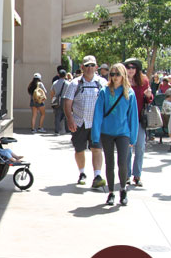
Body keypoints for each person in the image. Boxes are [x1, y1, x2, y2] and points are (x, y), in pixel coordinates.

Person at [91, 63, 138, 206]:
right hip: (107, 132)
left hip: (123, 132)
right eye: (112, 74)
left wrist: (133, 137)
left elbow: (133, 116)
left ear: (123, 75)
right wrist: (95, 135)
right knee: (109, 163)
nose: (115, 77)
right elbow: (98, 114)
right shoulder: (105, 91)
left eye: (117, 74)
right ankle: (111, 192)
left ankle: (123, 190)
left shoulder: (129, 92)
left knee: (123, 163)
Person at [62, 55, 108, 187]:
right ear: (82, 67)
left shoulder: (102, 83)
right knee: (79, 149)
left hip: (96, 124)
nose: (89, 68)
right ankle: (82, 173)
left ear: (96, 67)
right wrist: (70, 119)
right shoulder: (74, 84)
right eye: (87, 65)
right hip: (79, 122)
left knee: (97, 149)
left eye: (92, 65)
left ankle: (97, 175)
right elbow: (67, 103)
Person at [124, 57, 153, 187]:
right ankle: (126, 175)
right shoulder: (122, 81)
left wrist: (148, 95)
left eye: (133, 68)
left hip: (139, 120)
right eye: (128, 67)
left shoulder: (144, 81)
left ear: (137, 69)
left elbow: (149, 100)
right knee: (127, 148)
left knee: (140, 146)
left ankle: (137, 175)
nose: (130, 70)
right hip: (125, 119)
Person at [51, 69, 70, 135]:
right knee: (67, 115)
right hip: (65, 99)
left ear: (58, 75)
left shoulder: (55, 83)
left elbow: (52, 92)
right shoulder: (68, 83)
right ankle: (67, 130)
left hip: (57, 99)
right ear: (65, 75)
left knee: (57, 115)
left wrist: (53, 101)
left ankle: (57, 131)